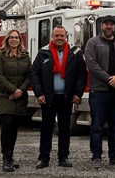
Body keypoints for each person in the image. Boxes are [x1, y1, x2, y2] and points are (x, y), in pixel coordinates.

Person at [30, 25, 87, 169]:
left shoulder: (75, 53)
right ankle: (43, 158)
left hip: (66, 97)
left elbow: (82, 74)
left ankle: (63, 157)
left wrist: (78, 93)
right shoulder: (43, 53)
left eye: (62, 36)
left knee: (64, 129)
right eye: (57, 36)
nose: (59, 38)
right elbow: (34, 74)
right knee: (46, 128)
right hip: (48, 98)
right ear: (52, 37)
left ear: (66, 36)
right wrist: (39, 93)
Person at [84, 15, 115, 168]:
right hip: (99, 92)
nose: (109, 27)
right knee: (97, 126)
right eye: (106, 24)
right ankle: (96, 157)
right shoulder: (93, 43)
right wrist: (108, 78)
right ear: (101, 26)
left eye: (112, 25)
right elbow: (91, 63)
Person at [0, 30, 32, 172]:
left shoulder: (25, 56)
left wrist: (20, 90)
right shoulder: (0, 56)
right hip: (5, 96)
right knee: (7, 124)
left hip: (20, 97)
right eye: (12, 38)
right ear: (7, 39)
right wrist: (13, 90)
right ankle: (6, 159)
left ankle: (11, 156)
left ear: (20, 40)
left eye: (17, 38)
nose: (14, 40)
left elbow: (29, 76)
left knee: (14, 128)